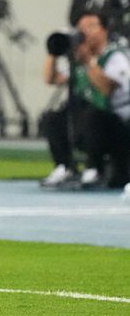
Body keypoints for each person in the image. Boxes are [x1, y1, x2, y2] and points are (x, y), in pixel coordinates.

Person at [40, 12, 130, 188]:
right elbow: (51, 79)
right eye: (81, 28)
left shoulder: (115, 56)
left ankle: (94, 168)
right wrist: (53, 51)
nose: (85, 31)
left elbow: (107, 88)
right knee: (52, 118)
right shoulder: (78, 59)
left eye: (91, 26)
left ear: (104, 30)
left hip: (118, 124)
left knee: (91, 116)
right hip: (87, 125)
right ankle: (64, 166)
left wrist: (88, 61)